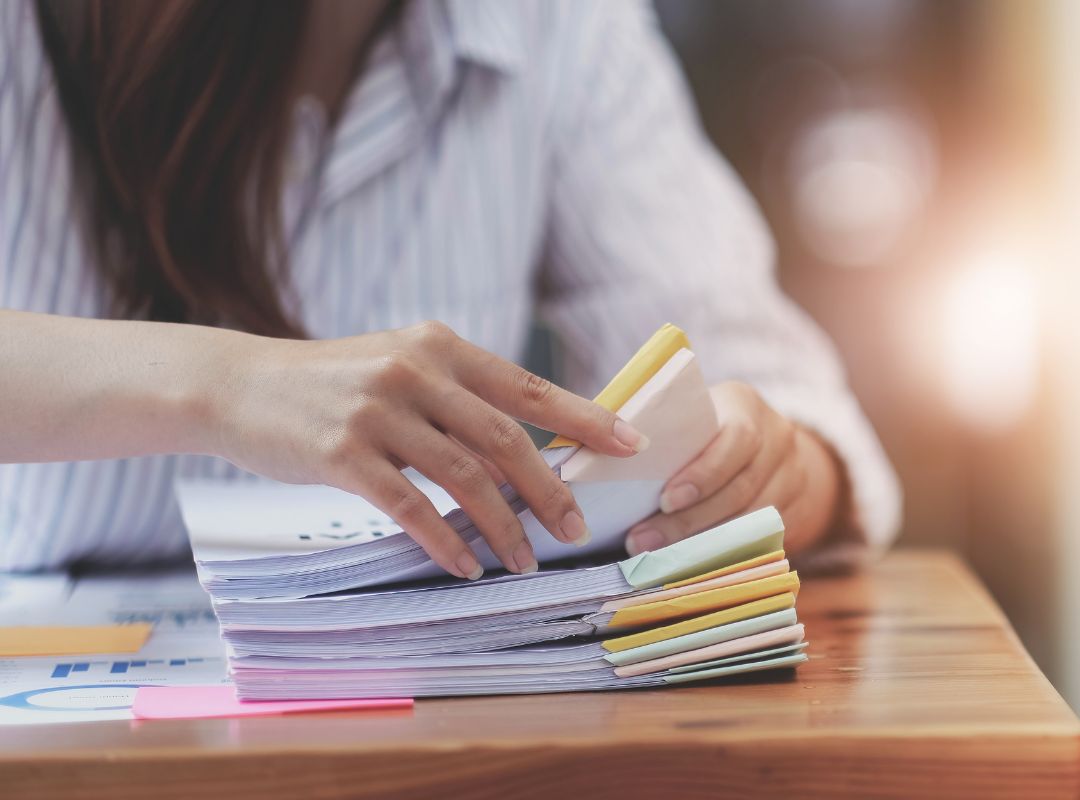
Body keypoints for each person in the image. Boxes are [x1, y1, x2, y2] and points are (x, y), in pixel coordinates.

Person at [0, 0, 900, 579]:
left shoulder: (562, 31)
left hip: (414, 733)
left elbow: (779, 394)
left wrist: (774, 469)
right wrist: (224, 383)